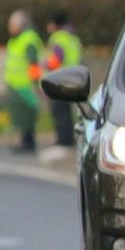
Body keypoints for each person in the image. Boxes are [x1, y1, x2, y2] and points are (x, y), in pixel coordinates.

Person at [4, 10, 44, 153]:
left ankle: (28, 142)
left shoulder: (28, 39)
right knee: (20, 116)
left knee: (27, 115)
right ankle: (25, 140)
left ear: (21, 24)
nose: (9, 25)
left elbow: (33, 63)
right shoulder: (16, 40)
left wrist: (36, 83)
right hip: (16, 84)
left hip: (25, 85)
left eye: (12, 23)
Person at [44, 11, 82, 148]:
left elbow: (57, 58)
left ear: (54, 25)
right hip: (71, 78)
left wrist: (45, 65)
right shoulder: (73, 38)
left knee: (58, 110)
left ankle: (62, 140)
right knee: (66, 110)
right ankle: (68, 138)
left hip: (59, 79)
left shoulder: (58, 37)